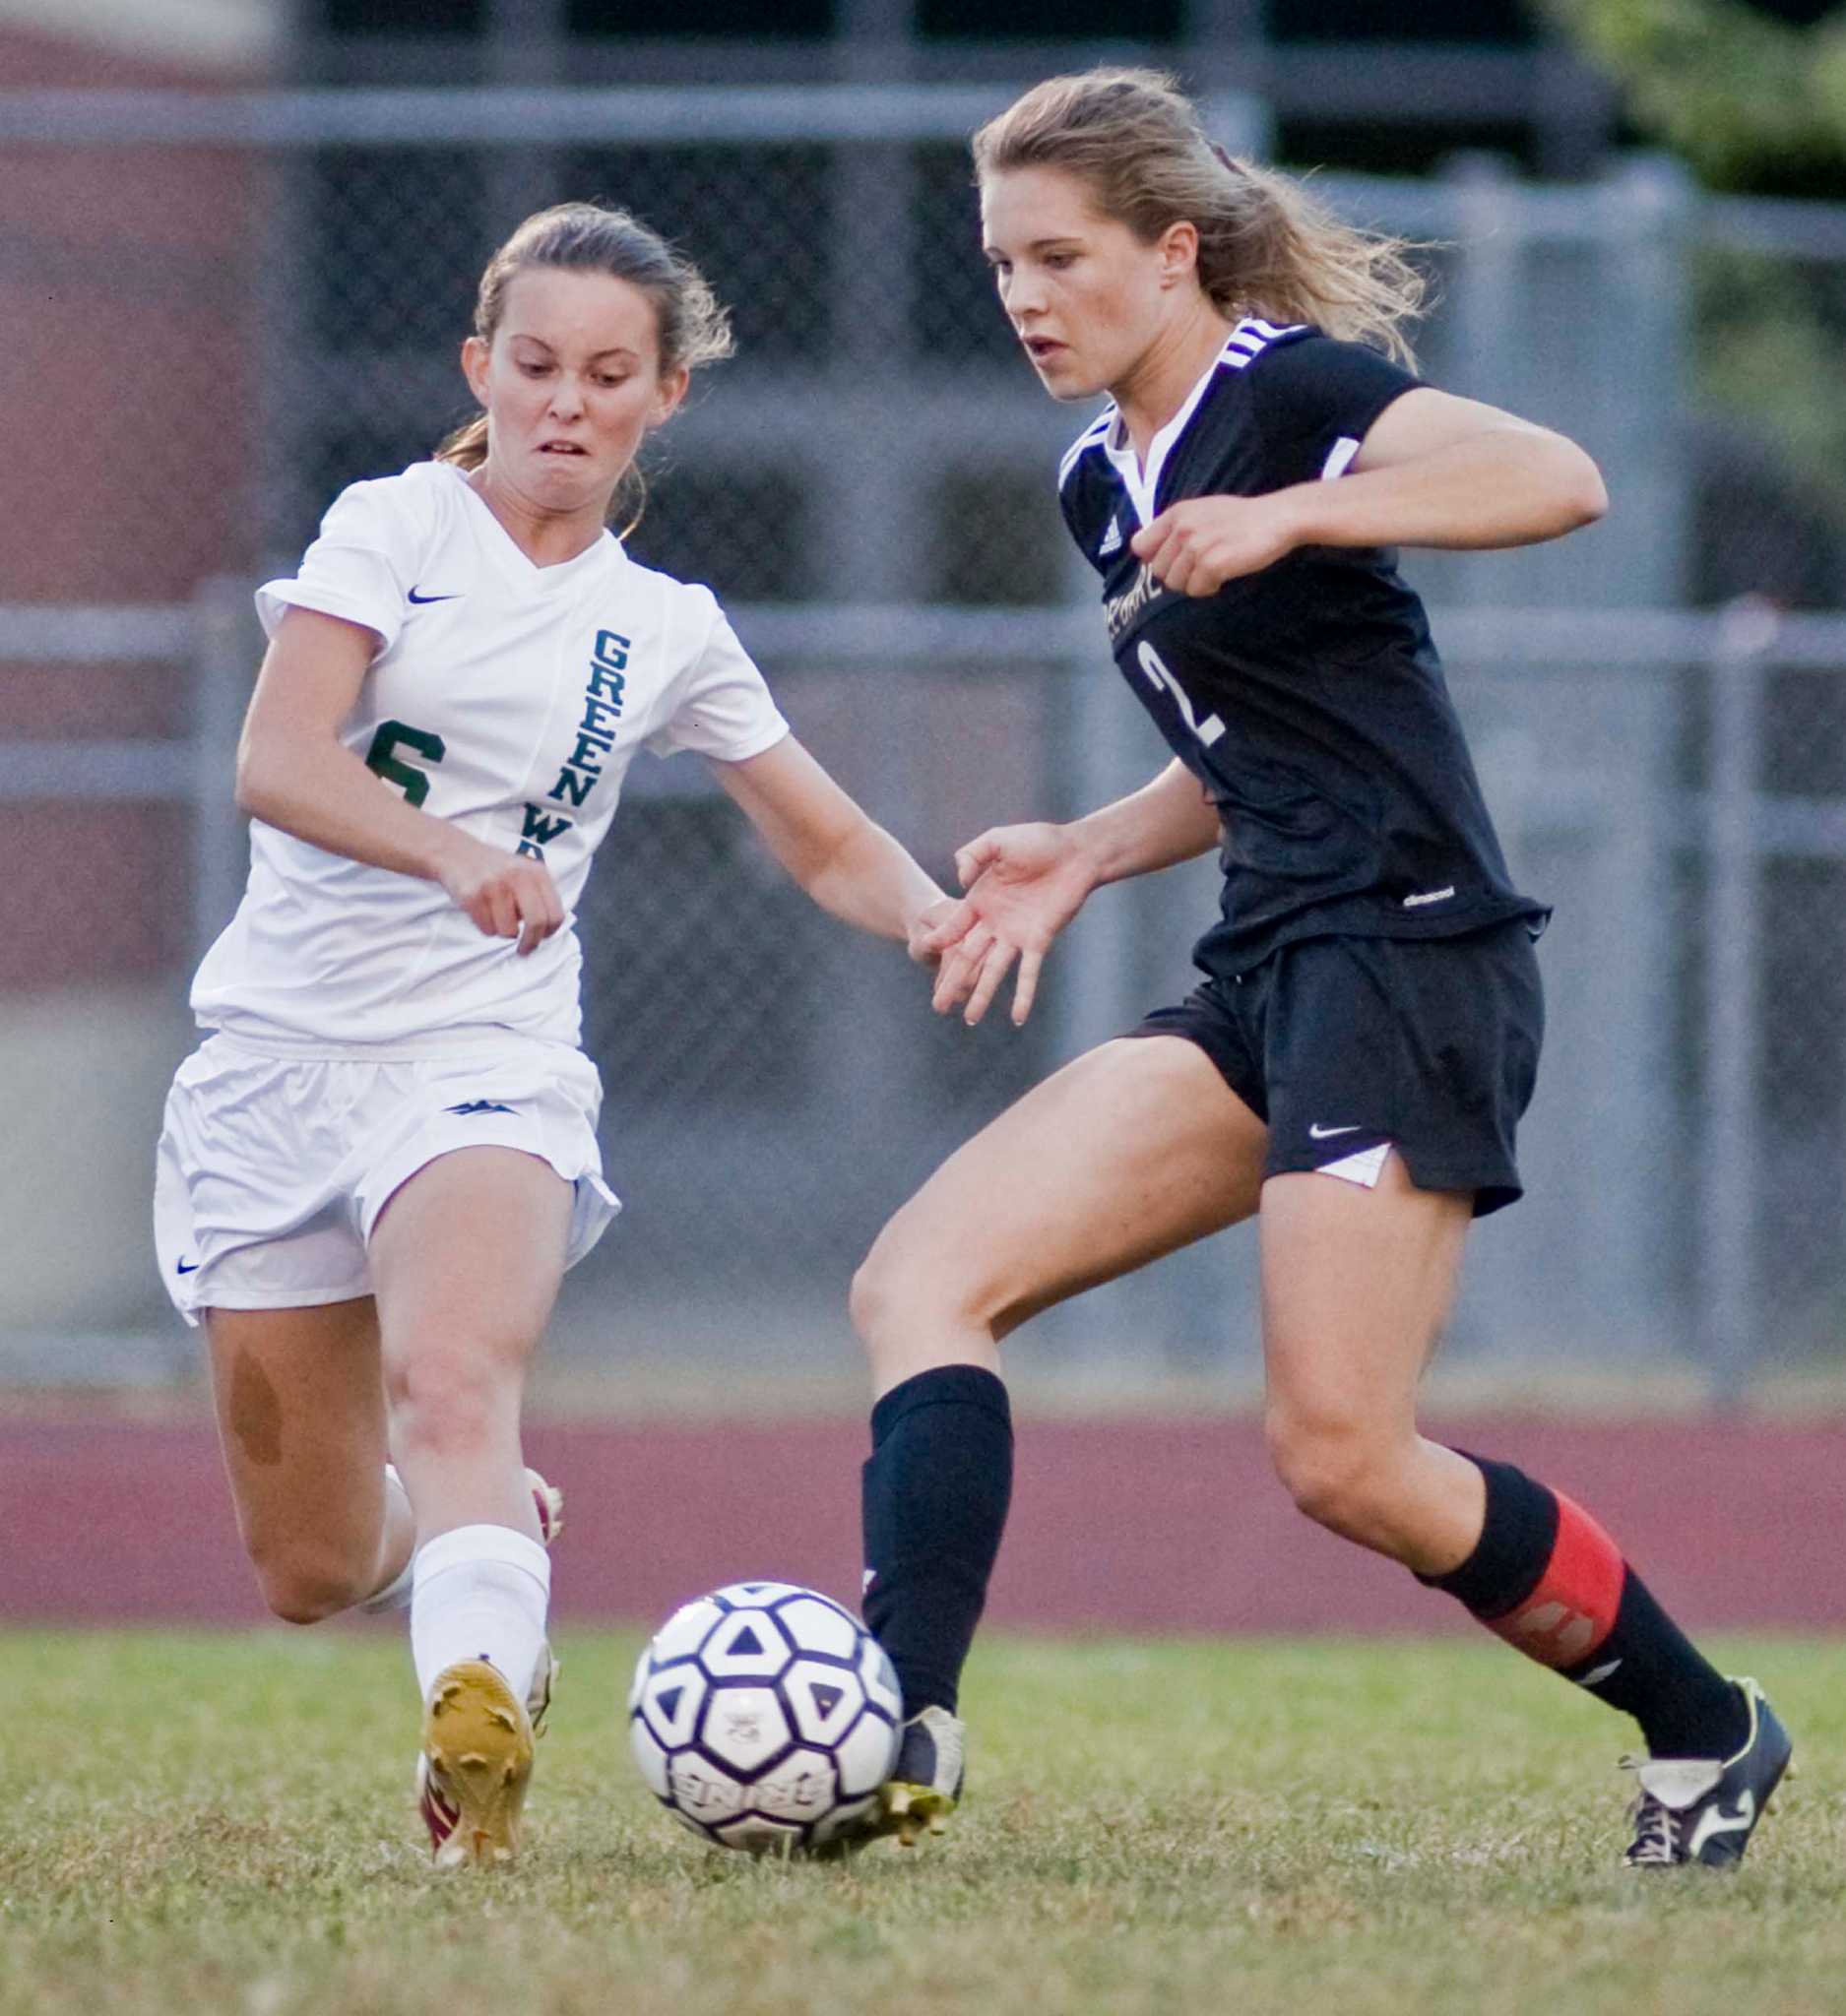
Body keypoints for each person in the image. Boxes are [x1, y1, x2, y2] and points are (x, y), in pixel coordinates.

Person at [848, 68, 1791, 1868]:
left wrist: (1301, 513)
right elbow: (1249, 754)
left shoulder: (1289, 393)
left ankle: (1708, 1729)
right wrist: (1081, 850)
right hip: (1266, 964)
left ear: (1174, 249)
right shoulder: (1094, 476)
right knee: (923, 1280)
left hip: (1409, 956)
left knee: (1345, 1458)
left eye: (1059, 256)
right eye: (998, 266)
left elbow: (1557, 478)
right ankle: (902, 1727)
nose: (1025, 296)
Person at [155, 201, 965, 1869]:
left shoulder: (664, 625)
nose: (564, 403)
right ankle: (481, 1541)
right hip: (273, 1071)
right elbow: (277, 761)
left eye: (608, 374)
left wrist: (941, 913)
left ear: (663, 395)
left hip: (486, 1058)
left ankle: (472, 1748)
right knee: (307, 1566)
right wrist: (459, 853)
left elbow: (820, 838)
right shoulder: (394, 526)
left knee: (455, 1380)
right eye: (534, 366)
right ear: (481, 367)